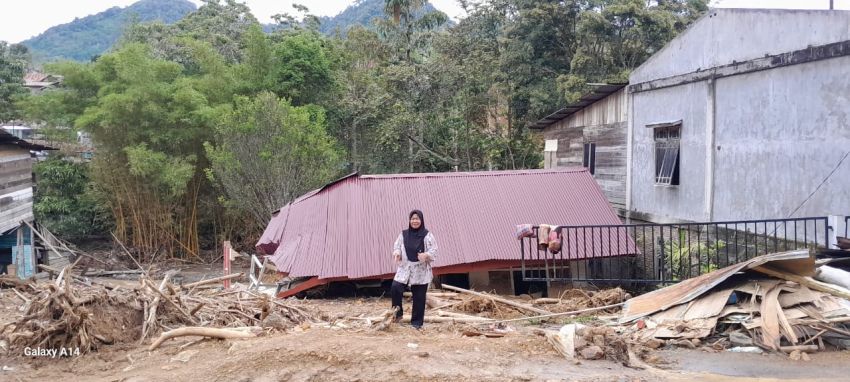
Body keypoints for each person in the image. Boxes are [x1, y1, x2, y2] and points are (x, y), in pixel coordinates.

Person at [391, 209, 438, 329]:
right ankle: (397, 314)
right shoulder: (404, 234)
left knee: (419, 296)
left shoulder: (427, 235)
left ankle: (416, 323)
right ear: (409, 220)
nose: (415, 221)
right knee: (396, 287)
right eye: (413, 219)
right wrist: (397, 252)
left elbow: (434, 251)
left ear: (421, 220)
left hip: (420, 269)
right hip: (405, 267)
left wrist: (426, 255)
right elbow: (397, 245)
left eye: (417, 219)